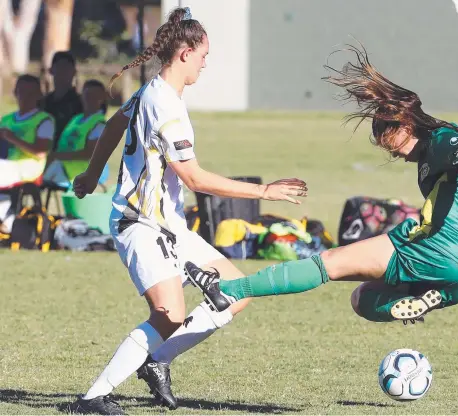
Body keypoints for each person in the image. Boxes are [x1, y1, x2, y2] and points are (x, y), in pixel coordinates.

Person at [68, 7, 307, 415]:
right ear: (184, 53)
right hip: (139, 223)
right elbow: (194, 179)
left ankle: (156, 359)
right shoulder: (166, 107)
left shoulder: (151, 92)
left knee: (234, 294)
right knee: (169, 313)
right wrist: (264, 191)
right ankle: (91, 399)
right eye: (203, 55)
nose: (205, 63)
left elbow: (112, 126)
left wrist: (92, 174)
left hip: (168, 225)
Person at [186, 44, 458, 325]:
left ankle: (232, 289)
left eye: (388, 139)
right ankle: (422, 299)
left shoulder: (441, 140)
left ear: (405, 124)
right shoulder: (438, 155)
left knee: (328, 262)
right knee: (363, 299)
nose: (389, 150)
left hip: (440, 250)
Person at [0, 75, 55, 233]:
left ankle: (8, 219)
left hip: (28, 169)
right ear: (15, 93)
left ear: (38, 95)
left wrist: (12, 138)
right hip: (6, 165)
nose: (25, 96)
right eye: (21, 91)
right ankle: (7, 217)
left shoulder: (44, 120)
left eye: (30, 93)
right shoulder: (7, 119)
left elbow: (40, 152)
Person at [43, 79, 107, 188]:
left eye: (94, 96)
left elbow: (90, 154)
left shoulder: (99, 124)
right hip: (61, 167)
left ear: (102, 98)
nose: (90, 99)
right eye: (87, 95)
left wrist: (57, 156)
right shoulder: (76, 119)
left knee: (32, 181)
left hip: (79, 173)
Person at [41, 51, 83, 147]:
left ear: (74, 72)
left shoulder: (81, 104)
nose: (63, 72)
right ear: (51, 70)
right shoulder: (42, 103)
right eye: (60, 67)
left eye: (67, 68)